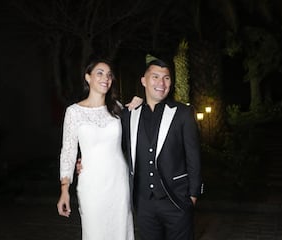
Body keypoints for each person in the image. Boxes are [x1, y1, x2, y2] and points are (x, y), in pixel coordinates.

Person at [56, 56, 141, 240]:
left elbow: (137, 133)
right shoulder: (74, 112)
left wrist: (140, 105)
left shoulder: (117, 108)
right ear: (88, 77)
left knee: (121, 232)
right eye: (100, 73)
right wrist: (64, 189)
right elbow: (69, 151)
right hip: (91, 185)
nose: (106, 78)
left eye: (109, 75)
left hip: (119, 182)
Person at [121, 59, 203, 240]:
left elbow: (194, 156)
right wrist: (84, 161)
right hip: (144, 204)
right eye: (155, 77)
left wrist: (193, 195)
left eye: (166, 78)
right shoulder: (128, 114)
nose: (161, 83)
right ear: (143, 80)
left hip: (177, 200)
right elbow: (116, 150)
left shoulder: (182, 113)